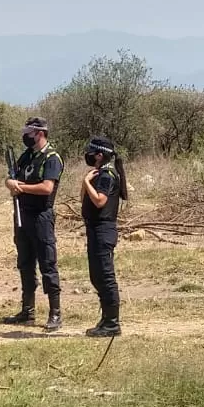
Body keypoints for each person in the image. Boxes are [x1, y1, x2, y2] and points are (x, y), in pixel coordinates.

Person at [1, 117, 64, 331]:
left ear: (39, 133)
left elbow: (47, 188)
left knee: (47, 264)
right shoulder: (27, 156)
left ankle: (55, 313)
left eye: (28, 132)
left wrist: (21, 187)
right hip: (22, 215)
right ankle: (27, 311)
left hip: (41, 216)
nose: (25, 135)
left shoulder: (52, 158)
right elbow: (12, 178)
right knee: (25, 263)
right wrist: (10, 183)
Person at [80, 136, 127, 337]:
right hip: (94, 229)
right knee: (96, 276)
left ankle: (112, 323)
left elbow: (100, 201)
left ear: (99, 155)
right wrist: (86, 183)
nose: (89, 155)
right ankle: (105, 318)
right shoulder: (98, 174)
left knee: (106, 277)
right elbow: (84, 198)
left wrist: (85, 182)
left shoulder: (107, 175)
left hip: (103, 230)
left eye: (92, 152)